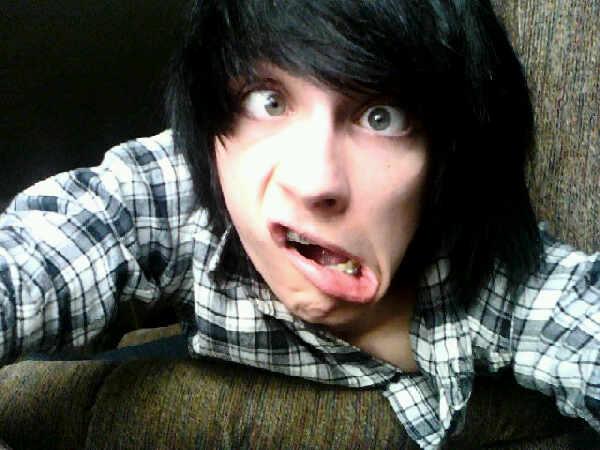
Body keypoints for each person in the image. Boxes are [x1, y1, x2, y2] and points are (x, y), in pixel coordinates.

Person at [0, 0, 598, 448]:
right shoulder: (173, 192)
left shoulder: (498, 278)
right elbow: (36, 258)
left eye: (381, 116)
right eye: (268, 101)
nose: (316, 182)